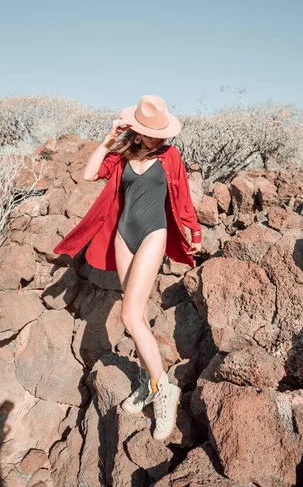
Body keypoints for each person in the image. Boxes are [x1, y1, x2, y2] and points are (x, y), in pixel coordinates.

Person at [53, 95, 202, 441]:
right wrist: (108, 140)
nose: (157, 137)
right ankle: (147, 380)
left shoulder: (170, 156)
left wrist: (193, 231)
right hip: (123, 237)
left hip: (154, 234)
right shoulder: (122, 156)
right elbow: (90, 173)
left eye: (160, 132)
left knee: (129, 317)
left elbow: (181, 197)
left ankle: (163, 390)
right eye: (150, 131)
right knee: (138, 318)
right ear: (135, 128)